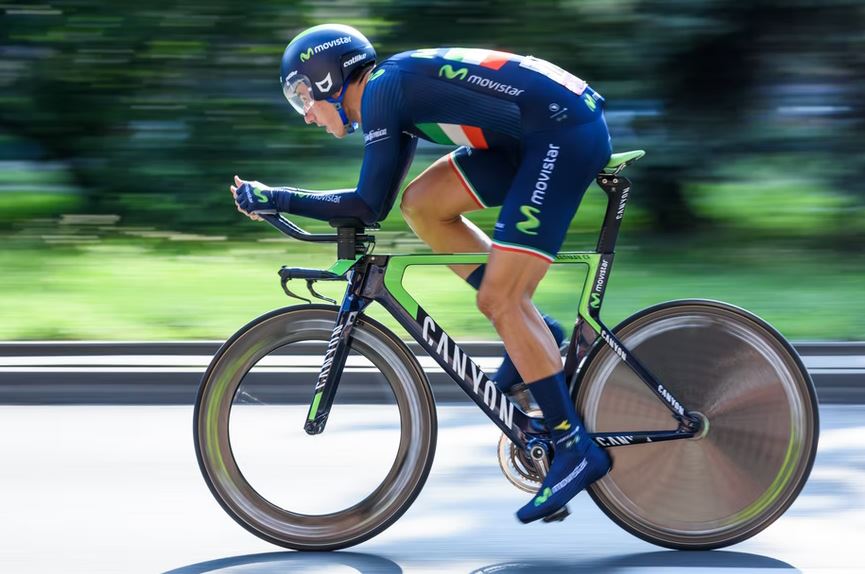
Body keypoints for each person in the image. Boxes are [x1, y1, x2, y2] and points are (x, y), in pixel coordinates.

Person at [230, 23, 612, 523]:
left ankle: (573, 447)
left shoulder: (385, 89)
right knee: (423, 205)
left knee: (499, 299)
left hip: (561, 134)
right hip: (539, 131)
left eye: (303, 95)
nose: (306, 115)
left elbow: (364, 205)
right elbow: (383, 203)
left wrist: (276, 196)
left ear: (327, 79)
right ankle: (538, 329)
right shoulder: (391, 94)